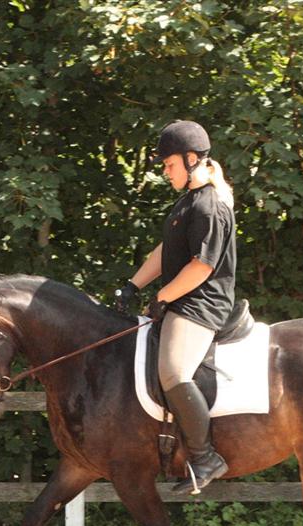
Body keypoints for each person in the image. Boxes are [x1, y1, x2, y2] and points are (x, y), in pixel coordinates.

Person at [112, 120, 238, 494]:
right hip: (183, 298)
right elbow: (166, 251)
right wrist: (133, 284)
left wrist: (163, 296)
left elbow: (202, 266)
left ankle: (205, 457)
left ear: (192, 159)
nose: (165, 172)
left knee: (172, 370)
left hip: (203, 303)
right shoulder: (186, 203)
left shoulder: (209, 206)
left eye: (169, 165)